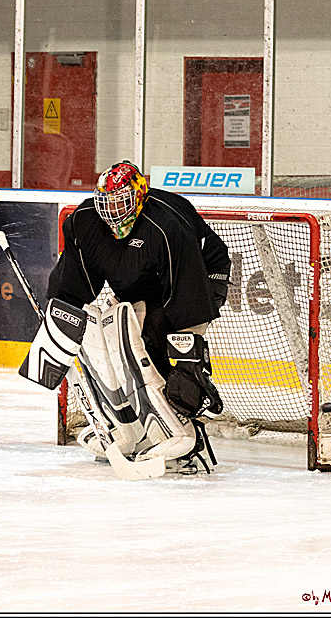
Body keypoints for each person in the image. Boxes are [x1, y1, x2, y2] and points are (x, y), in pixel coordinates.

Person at [46, 161, 231, 471]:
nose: (114, 210)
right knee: (112, 339)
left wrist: (186, 359)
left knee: (158, 346)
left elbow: (187, 294)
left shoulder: (165, 225)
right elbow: (75, 280)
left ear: (140, 195)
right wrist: (60, 314)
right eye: (107, 202)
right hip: (142, 283)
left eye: (122, 201)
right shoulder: (85, 220)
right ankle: (132, 428)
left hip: (198, 276)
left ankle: (182, 433)